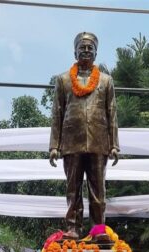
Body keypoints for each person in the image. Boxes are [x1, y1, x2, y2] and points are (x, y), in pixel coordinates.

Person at [49, 32, 119, 240]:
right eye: (82, 47)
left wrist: (114, 144)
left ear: (96, 53)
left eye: (90, 48)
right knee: (73, 189)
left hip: (99, 142)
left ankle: (98, 229)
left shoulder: (106, 81)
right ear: (75, 51)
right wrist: (54, 145)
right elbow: (57, 113)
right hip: (71, 142)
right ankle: (73, 228)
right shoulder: (63, 80)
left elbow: (112, 113)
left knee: (98, 190)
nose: (86, 51)